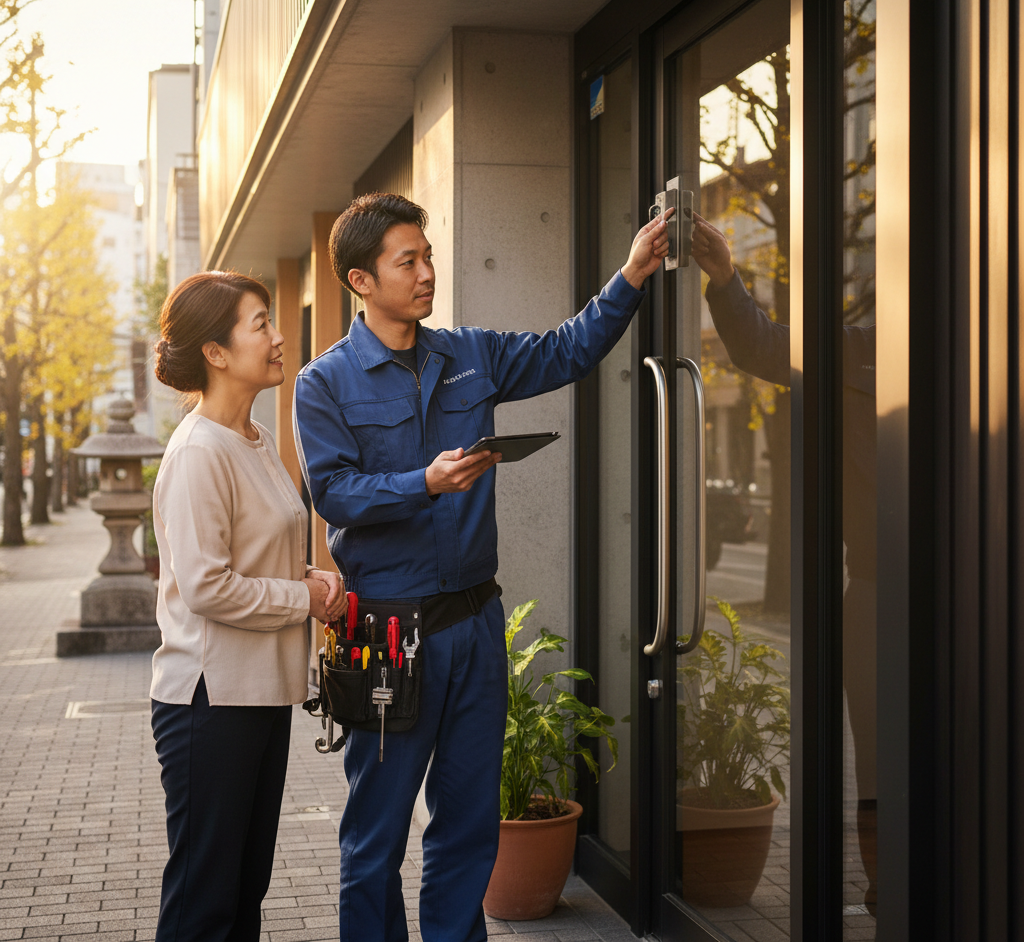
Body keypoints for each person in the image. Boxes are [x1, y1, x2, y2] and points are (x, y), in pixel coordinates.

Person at [293, 193, 672, 942]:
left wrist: (630, 274)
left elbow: (567, 350)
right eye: (410, 261)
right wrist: (421, 483)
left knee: (466, 827)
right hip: (385, 634)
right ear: (361, 280)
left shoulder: (470, 354)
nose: (427, 272)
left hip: (475, 621)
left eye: (428, 256)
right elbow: (332, 493)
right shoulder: (324, 382)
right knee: (376, 837)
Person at [690, 211, 878, 914]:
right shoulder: (859, 348)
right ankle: (890, 892)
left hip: (972, 595)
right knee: (882, 763)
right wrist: (727, 276)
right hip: (879, 593)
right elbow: (763, 347)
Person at [149, 270, 346, 941]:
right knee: (207, 899)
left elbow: (256, 555)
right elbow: (206, 586)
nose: (278, 335)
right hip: (208, 702)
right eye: (259, 323)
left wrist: (310, 579)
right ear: (215, 352)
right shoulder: (199, 452)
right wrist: (303, 596)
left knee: (243, 894)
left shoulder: (255, 441)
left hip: (258, 693)